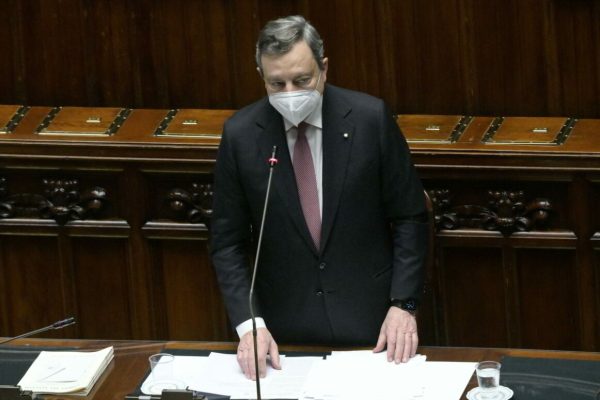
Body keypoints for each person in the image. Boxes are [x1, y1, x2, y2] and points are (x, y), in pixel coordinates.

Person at [210, 15, 428, 381]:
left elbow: (410, 216)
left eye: (302, 79)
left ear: (324, 69)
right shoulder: (241, 135)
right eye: (276, 83)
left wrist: (403, 304)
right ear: (261, 77)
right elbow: (226, 243)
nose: (290, 92)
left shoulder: (369, 119)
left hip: (374, 327)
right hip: (282, 335)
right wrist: (250, 324)